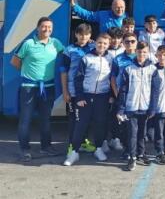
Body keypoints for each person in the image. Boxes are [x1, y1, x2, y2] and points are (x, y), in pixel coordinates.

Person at [12, 17, 64, 161]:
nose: (47, 29)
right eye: (44, 27)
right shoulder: (28, 44)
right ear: (37, 28)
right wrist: (29, 74)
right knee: (25, 120)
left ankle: (46, 147)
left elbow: (67, 53)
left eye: (49, 27)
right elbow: (15, 62)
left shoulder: (56, 43)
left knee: (46, 119)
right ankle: (24, 149)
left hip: (48, 88)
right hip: (29, 88)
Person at [63, 33, 113, 166]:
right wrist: (79, 97)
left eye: (105, 43)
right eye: (100, 42)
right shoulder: (87, 58)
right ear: (95, 43)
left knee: (100, 124)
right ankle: (74, 152)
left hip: (102, 97)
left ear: (109, 45)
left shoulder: (110, 58)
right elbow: (78, 78)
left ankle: (98, 149)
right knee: (80, 125)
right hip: (86, 97)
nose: (102, 45)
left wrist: (111, 96)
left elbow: (112, 79)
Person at [116, 41, 156, 171]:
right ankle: (132, 157)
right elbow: (123, 90)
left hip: (145, 107)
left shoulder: (153, 69)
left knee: (142, 133)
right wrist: (121, 109)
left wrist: (152, 108)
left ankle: (141, 153)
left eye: (144, 52)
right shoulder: (128, 68)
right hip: (131, 107)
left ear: (148, 53)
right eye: (139, 52)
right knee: (132, 133)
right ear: (136, 52)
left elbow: (155, 90)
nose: (142, 54)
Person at [60, 23, 96, 155]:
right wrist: (65, 91)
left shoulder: (93, 47)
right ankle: (72, 145)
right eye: (80, 34)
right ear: (76, 34)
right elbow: (63, 71)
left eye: (86, 34)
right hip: (73, 90)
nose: (83, 37)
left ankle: (83, 142)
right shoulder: (68, 50)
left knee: (86, 118)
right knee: (74, 119)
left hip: (89, 90)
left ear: (90, 35)